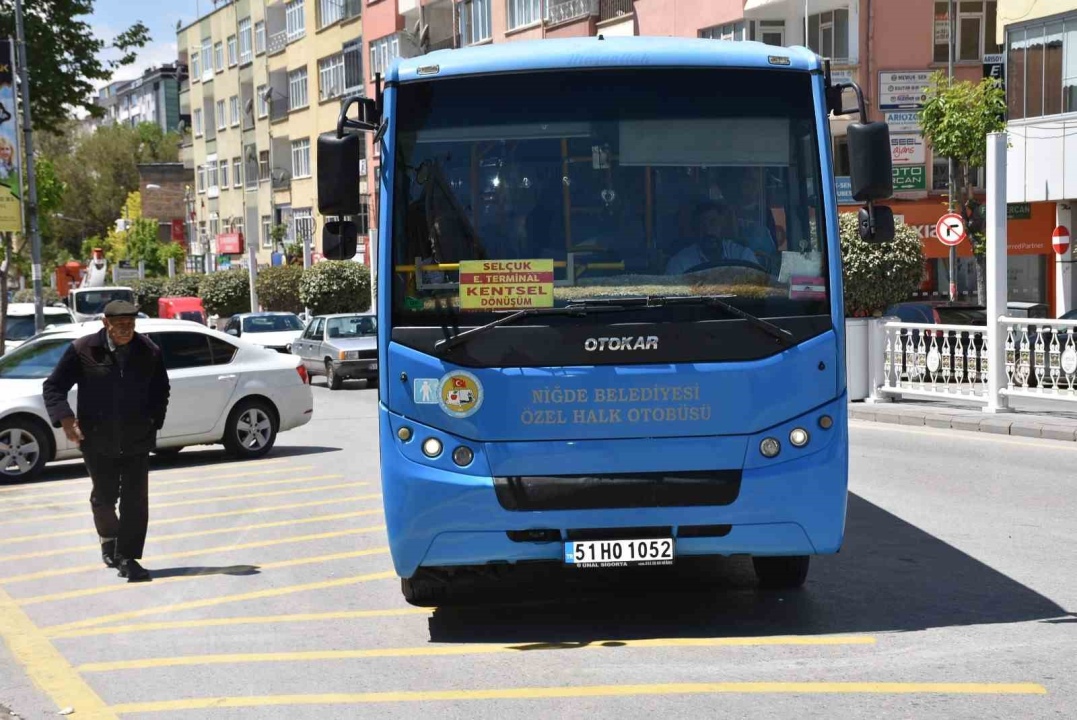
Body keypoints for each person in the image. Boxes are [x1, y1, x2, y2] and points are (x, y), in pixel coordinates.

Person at [42, 300, 170, 583]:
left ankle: (129, 557)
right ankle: (108, 539)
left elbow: (161, 389)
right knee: (104, 496)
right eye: (120, 325)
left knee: (136, 500)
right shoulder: (83, 349)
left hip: (137, 439)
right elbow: (53, 387)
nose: (127, 330)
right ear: (105, 323)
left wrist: (154, 422)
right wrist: (65, 419)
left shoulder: (148, 350)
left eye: (131, 325)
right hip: (97, 438)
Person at [665, 200, 768, 275]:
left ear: (721, 226)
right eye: (702, 225)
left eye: (713, 223)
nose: (708, 230)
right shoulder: (680, 264)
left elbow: (758, 292)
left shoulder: (743, 256)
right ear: (695, 229)